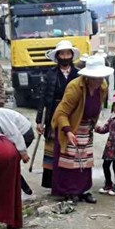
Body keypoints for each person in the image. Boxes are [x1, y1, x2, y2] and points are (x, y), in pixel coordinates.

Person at [50, 55, 111, 204]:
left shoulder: (103, 86)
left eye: (100, 77)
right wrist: (68, 131)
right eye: (95, 77)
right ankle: (69, 191)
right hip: (71, 125)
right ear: (88, 77)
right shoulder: (75, 87)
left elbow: (98, 107)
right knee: (70, 160)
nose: (99, 80)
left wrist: (94, 124)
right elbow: (61, 113)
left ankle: (83, 190)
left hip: (86, 126)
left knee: (85, 160)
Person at [35, 40, 81, 190]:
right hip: (54, 113)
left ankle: (70, 182)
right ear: (58, 56)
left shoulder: (78, 74)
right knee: (52, 147)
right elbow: (43, 97)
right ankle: (52, 182)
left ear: (72, 56)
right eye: (62, 54)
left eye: (68, 54)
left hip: (73, 114)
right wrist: (39, 120)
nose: (65, 57)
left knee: (70, 147)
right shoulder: (50, 74)